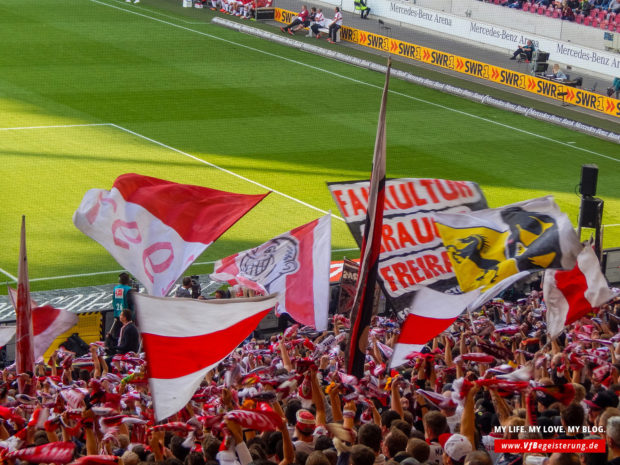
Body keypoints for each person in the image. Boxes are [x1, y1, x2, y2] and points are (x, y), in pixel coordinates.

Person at [107, 272, 134, 351]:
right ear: (128, 281)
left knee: (117, 335)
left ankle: (117, 350)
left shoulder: (116, 289)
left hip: (117, 315)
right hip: (126, 317)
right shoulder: (128, 290)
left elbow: (113, 301)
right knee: (126, 337)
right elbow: (131, 303)